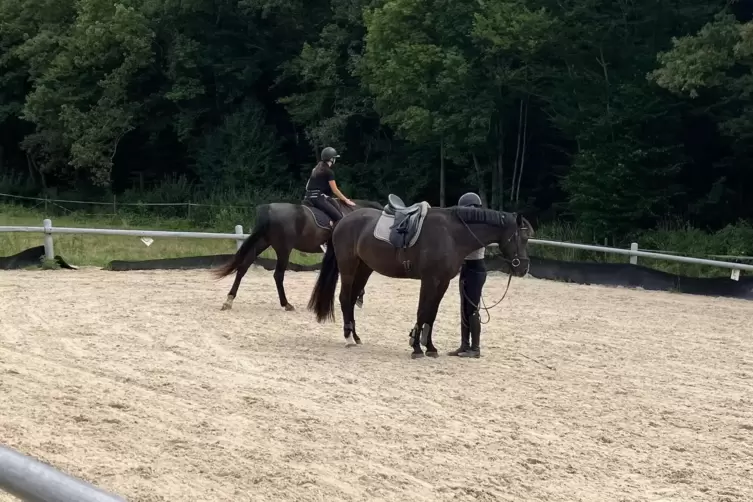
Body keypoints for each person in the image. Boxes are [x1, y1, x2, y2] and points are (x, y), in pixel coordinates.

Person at [448, 192, 487, 358]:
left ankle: (475, 348)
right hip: (466, 267)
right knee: (464, 307)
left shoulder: (480, 228)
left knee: (472, 308)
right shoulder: (469, 226)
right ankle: (464, 345)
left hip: (476, 267)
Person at [302, 146, 356, 228]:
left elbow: (307, 186)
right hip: (318, 199)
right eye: (335, 158)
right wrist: (346, 200)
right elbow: (335, 190)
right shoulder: (329, 172)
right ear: (332, 159)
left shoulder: (315, 169)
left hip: (307, 197)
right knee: (340, 218)